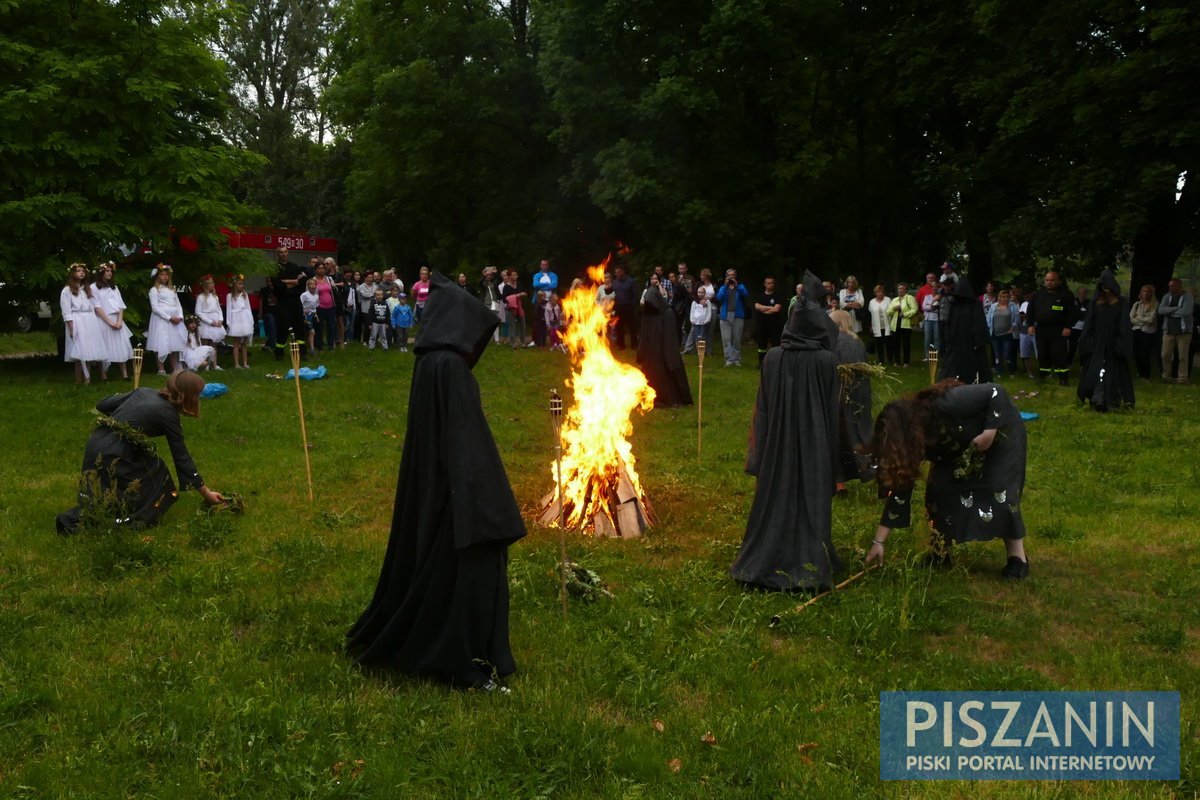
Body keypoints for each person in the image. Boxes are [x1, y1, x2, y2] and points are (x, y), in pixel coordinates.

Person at [347, 272, 526, 691]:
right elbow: (468, 443)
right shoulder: (449, 368)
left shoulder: (430, 361)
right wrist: (488, 508)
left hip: (437, 487)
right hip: (458, 496)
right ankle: (460, 657)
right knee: (473, 567)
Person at [730, 272, 841, 591]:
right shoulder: (826, 361)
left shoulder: (774, 359)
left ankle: (773, 554)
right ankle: (809, 561)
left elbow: (761, 410)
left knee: (776, 492)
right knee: (811, 492)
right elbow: (834, 412)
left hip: (777, 444)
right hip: (815, 441)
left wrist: (760, 452)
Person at [867, 380, 1029, 579]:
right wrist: (878, 542)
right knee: (939, 491)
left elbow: (996, 392)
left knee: (999, 490)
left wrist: (989, 431)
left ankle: (1017, 558)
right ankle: (941, 552)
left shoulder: (947, 404)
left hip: (999, 434)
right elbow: (901, 487)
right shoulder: (913, 443)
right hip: (957, 449)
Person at [56, 371, 226, 533]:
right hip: (114, 453)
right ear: (187, 396)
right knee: (156, 477)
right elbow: (181, 456)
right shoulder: (168, 414)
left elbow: (103, 404)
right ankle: (118, 519)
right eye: (196, 395)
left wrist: (131, 398)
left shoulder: (144, 391)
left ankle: (110, 512)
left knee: (152, 466)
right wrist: (206, 493)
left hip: (98, 441)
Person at [1076, 269, 1135, 411]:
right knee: (1096, 372)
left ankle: (1111, 399)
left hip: (1113, 345)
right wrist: (1087, 343)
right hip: (1097, 345)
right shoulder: (1096, 304)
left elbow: (1124, 326)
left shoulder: (1121, 304)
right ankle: (1097, 399)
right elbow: (1089, 324)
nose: (1105, 290)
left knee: (1113, 373)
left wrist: (1121, 344)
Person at [830, 310, 875, 488]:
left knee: (845, 435)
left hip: (843, 395)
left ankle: (841, 479)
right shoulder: (857, 340)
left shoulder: (838, 342)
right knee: (859, 431)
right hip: (860, 394)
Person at [637, 275, 693, 408]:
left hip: (663, 353)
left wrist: (671, 357)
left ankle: (670, 396)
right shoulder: (648, 313)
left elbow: (670, 337)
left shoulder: (667, 313)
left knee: (665, 377)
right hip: (651, 354)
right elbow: (644, 334)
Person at [938, 276, 992, 384]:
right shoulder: (955, 305)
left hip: (970, 342)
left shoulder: (974, 304)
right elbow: (949, 324)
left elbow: (978, 322)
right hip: (957, 342)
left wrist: (978, 341)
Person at [1026, 270, 1077, 385]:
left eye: (1052, 280)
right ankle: (1043, 377)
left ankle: (1063, 379)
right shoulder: (1038, 294)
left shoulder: (1066, 294)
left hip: (1059, 329)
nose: (1049, 283)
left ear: (1058, 281)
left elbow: (1073, 313)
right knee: (1042, 354)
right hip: (1041, 329)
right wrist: (1030, 325)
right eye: (1047, 280)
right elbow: (1030, 310)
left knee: (1058, 354)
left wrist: (1068, 326)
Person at [60, 263, 106, 384]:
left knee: (89, 349)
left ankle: (87, 379)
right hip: (77, 320)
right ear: (72, 274)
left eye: (83, 271)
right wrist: (71, 327)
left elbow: (92, 307)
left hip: (89, 320)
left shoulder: (87, 289)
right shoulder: (67, 290)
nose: (81, 273)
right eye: (78, 271)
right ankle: (78, 380)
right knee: (79, 350)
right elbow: (66, 311)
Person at [90, 262, 133, 381]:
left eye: (110, 271)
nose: (109, 273)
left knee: (121, 345)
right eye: (107, 271)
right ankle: (103, 374)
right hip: (103, 320)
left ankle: (124, 373)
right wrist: (109, 322)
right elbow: (97, 306)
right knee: (104, 346)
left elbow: (120, 305)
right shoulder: (94, 287)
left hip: (116, 320)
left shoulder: (114, 287)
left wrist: (119, 321)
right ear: (101, 273)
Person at [146, 264, 187, 375]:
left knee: (173, 344)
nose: (164, 277)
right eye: (162, 274)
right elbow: (155, 308)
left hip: (175, 319)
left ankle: (175, 368)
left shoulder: (172, 290)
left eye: (166, 275)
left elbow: (178, 304)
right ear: (157, 276)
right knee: (161, 342)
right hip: (162, 319)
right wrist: (168, 317)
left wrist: (180, 316)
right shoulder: (154, 290)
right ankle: (161, 368)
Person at [1158, 277, 1194, 384]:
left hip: (1183, 331)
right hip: (1168, 330)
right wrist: (1175, 308)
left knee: (1183, 356)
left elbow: (1185, 312)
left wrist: (1169, 312)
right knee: (1165, 355)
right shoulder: (1167, 296)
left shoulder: (1187, 297)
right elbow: (1161, 310)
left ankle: (1182, 378)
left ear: (1179, 286)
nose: (1170, 288)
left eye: (1172, 286)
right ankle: (1166, 376)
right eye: (1169, 286)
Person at [715, 269, 749, 367]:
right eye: (729, 275)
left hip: (738, 315)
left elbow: (745, 294)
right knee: (726, 339)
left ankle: (736, 359)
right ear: (726, 277)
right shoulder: (723, 288)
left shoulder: (740, 287)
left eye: (733, 275)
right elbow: (718, 297)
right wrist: (726, 286)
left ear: (736, 276)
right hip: (725, 316)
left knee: (737, 339)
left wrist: (736, 285)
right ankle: (728, 359)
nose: (731, 277)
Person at [752, 277, 786, 368]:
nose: (770, 285)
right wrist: (770, 308)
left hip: (774, 326)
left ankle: (777, 364)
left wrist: (763, 309)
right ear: (765, 284)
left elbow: (776, 309)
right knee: (762, 346)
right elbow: (757, 307)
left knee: (776, 345)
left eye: (772, 283)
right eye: (768, 283)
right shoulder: (760, 296)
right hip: (762, 325)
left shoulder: (777, 296)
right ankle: (762, 364)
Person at [985, 288, 1018, 377]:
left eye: (1005, 297)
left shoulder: (1012, 306)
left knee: (1007, 354)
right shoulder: (993, 306)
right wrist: (989, 330)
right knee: (997, 354)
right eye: (1001, 297)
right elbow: (988, 319)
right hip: (995, 334)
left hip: (1007, 334)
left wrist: (1012, 329)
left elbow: (1016, 319)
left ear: (1008, 298)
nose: (1003, 299)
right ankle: (999, 371)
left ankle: (1011, 371)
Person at [194, 276, 226, 365]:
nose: (213, 285)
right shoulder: (201, 297)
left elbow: (219, 309)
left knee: (214, 344)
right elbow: (198, 312)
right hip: (206, 323)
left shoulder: (215, 297)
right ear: (206, 285)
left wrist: (220, 319)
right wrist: (210, 321)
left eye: (213, 283)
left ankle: (214, 364)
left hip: (216, 321)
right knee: (205, 344)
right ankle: (206, 364)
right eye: (211, 283)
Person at [1129, 284, 1159, 380]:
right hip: (1136, 330)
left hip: (1148, 333)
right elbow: (1131, 318)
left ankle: (1146, 375)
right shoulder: (1137, 304)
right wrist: (1142, 321)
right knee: (1137, 353)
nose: (1145, 293)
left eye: (1148, 291)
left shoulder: (1155, 305)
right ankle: (1140, 373)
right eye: (1144, 291)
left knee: (1145, 353)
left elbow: (1151, 320)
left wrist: (1139, 318)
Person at [225, 274, 254, 369]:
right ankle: (236, 363)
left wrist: (251, 320)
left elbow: (248, 308)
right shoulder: (230, 296)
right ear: (234, 285)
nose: (241, 286)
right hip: (236, 319)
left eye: (242, 284)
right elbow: (228, 309)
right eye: (239, 284)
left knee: (244, 343)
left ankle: (245, 363)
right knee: (236, 343)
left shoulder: (245, 295)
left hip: (244, 318)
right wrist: (229, 322)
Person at [887, 282, 918, 366]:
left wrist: (905, 314)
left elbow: (914, 309)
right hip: (895, 324)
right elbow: (888, 312)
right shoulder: (894, 300)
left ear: (906, 290)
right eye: (898, 288)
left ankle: (906, 362)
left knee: (906, 344)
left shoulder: (910, 298)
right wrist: (894, 308)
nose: (899, 290)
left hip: (906, 324)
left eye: (902, 288)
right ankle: (896, 361)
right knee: (895, 343)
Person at [611, 265, 639, 350]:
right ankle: (621, 345)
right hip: (619, 308)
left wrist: (632, 306)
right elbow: (612, 293)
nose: (616, 274)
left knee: (632, 327)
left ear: (622, 272)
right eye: (615, 272)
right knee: (619, 327)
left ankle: (634, 344)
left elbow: (635, 295)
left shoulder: (631, 281)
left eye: (617, 272)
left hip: (628, 308)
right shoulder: (615, 282)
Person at [501, 270, 529, 348]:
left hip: (520, 307)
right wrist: (516, 296)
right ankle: (513, 343)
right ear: (509, 276)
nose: (516, 276)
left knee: (523, 326)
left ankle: (523, 342)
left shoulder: (519, 284)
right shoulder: (506, 287)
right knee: (512, 326)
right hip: (510, 309)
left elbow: (525, 292)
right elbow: (504, 299)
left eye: (516, 275)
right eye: (514, 275)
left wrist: (523, 294)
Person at [867, 284, 893, 365]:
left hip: (887, 325)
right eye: (878, 292)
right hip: (877, 326)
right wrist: (871, 325)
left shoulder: (888, 300)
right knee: (879, 344)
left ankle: (890, 359)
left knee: (888, 343)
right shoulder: (872, 302)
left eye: (881, 291)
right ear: (875, 293)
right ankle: (881, 360)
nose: (880, 293)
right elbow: (871, 314)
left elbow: (891, 311)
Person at [917, 272, 941, 358]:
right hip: (927, 318)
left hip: (937, 319)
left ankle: (935, 355)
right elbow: (923, 307)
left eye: (935, 287)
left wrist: (930, 307)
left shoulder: (940, 296)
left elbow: (940, 308)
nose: (934, 288)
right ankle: (927, 356)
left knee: (937, 338)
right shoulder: (927, 296)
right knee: (928, 337)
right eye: (933, 287)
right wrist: (932, 307)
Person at [682, 288, 712, 355]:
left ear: (704, 293)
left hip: (703, 323)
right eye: (699, 292)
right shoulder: (694, 302)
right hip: (696, 322)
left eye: (702, 292)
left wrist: (707, 320)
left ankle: (702, 351)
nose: (700, 294)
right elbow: (692, 312)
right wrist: (692, 320)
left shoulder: (707, 302)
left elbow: (709, 312)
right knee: (696, 337)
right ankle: (697, 350)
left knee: (702, 337)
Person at [479, 266, 505, 343]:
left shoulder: (495, 282)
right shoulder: (484, 283)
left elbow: (499, 279)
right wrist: (483, 275)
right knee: (488, 322)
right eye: (487, 275)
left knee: (495, 321)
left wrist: (494, 272)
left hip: (495, 303)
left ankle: (497, 340)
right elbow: (479, 283)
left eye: (490, 275)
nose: (489, 276)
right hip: (486, 303)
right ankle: (488, 339)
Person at [300, 278, 320, 356]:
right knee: (309, 332)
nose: (313, 286)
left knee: (311, 332)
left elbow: (314, 307)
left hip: (311, 316)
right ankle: (308, 348)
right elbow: (299, 305)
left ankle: (311, 348)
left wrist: (316, 316)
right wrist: (303, 313)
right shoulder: (304, 295)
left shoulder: (316, 296)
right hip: (304, 316)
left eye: (314, 284)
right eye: (311, 284)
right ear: (308, 286)